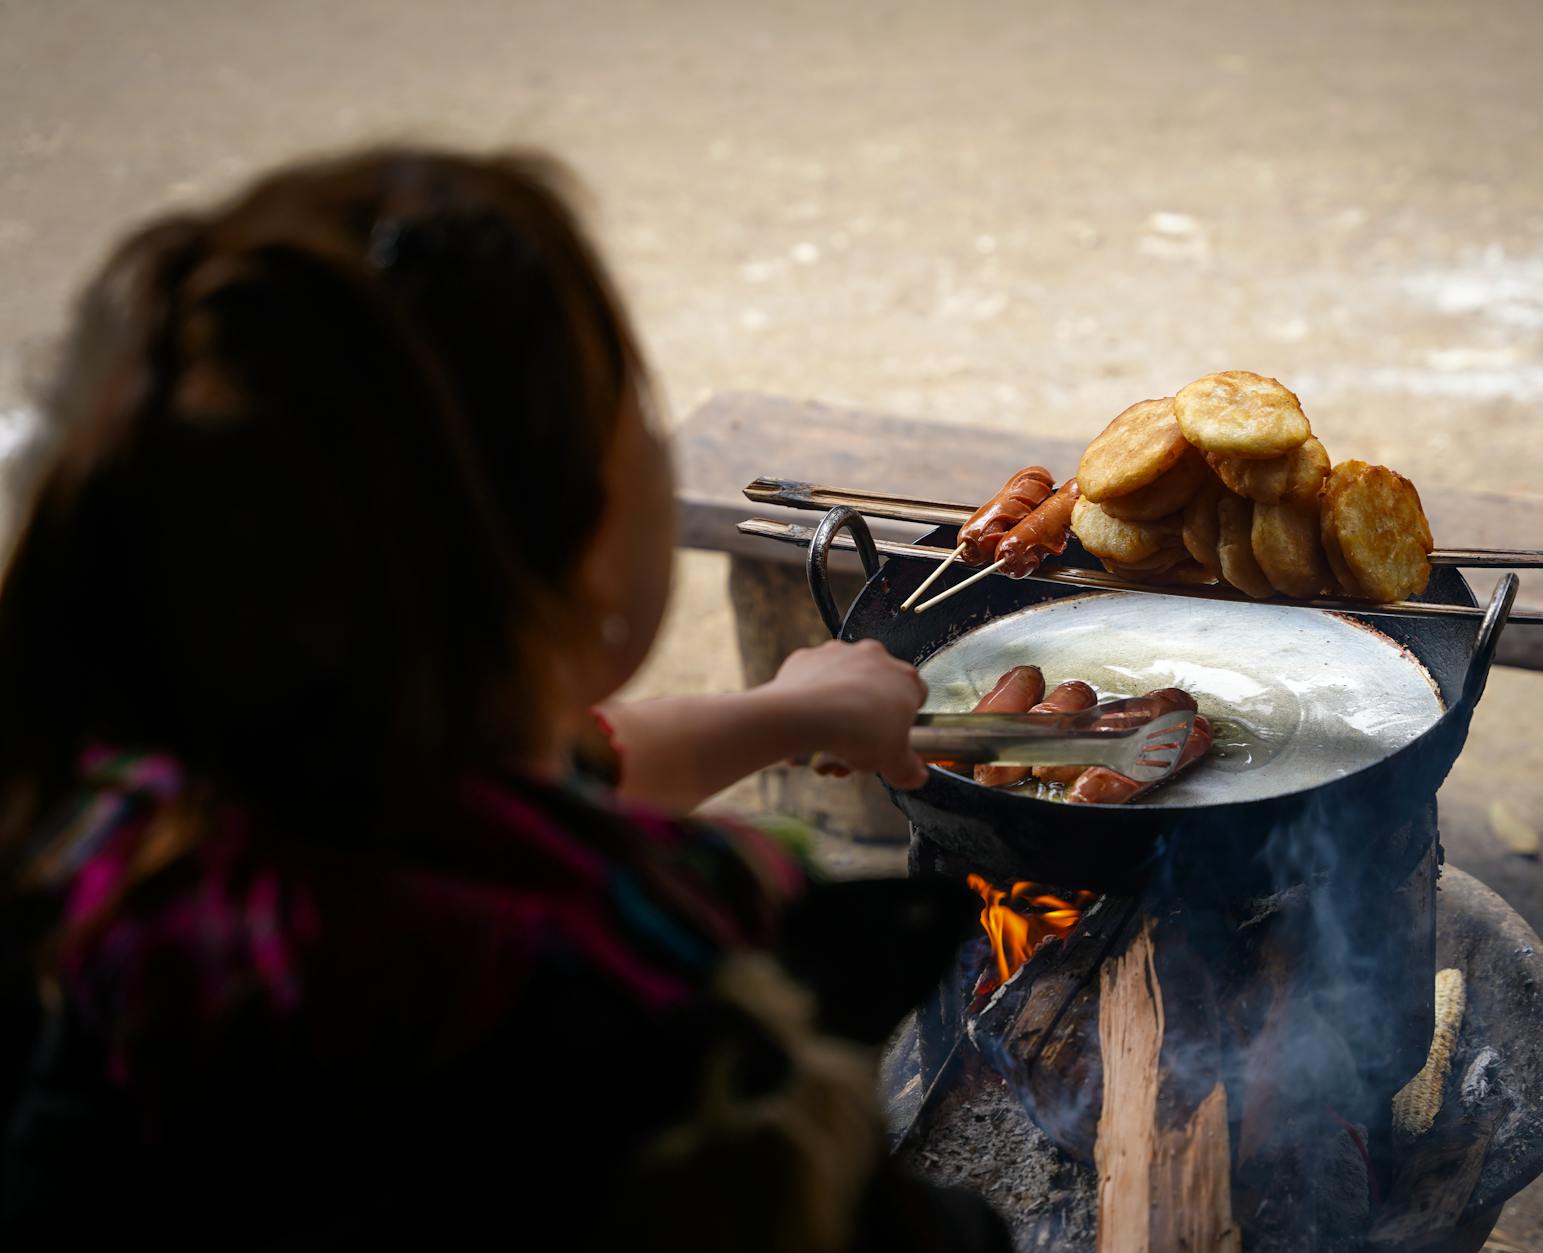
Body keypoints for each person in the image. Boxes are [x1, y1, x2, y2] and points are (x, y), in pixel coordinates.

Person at [0, 149, 1007, 1250]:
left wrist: (785, 710)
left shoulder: (128, 835)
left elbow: (534, 769)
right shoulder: (653, 1050)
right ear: (578, 552)